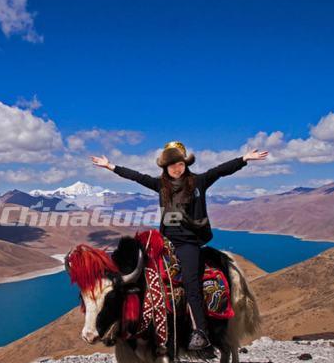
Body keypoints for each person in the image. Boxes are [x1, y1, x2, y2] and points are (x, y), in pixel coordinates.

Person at [91, 142, 268, 350]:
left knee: (191, 285)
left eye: (180, 164)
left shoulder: (198, 182)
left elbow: (220, 171)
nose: (177, 168)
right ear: (165, 168)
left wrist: (244, 159)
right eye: (172, 165)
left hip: (188, 244)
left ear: (186, 164)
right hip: (164, 242)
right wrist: (111, 166)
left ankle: (200, 331)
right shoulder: (161, 185)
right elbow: (137, 177)